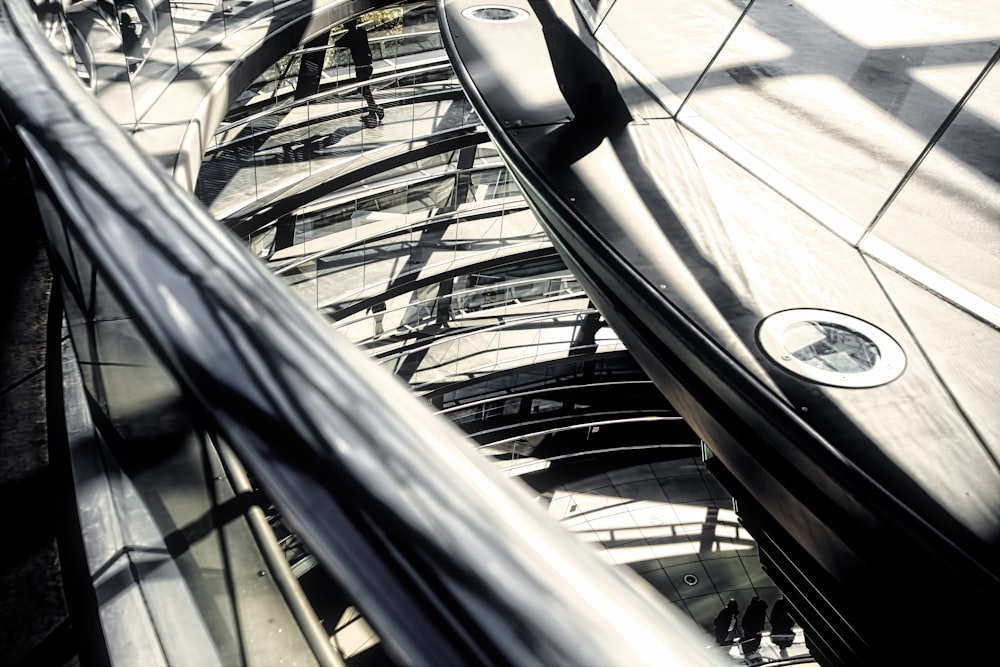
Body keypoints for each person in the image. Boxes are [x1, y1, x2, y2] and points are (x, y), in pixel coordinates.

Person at [335, 19, 383, 127]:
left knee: (363, 89)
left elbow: (337, 43)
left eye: (345, 22)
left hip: (361, 67)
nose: (343, 24)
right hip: (368, 65)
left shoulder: (350, 35)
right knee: (364, 89)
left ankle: (377, 110)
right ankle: (373, 112)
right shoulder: (361, 31)